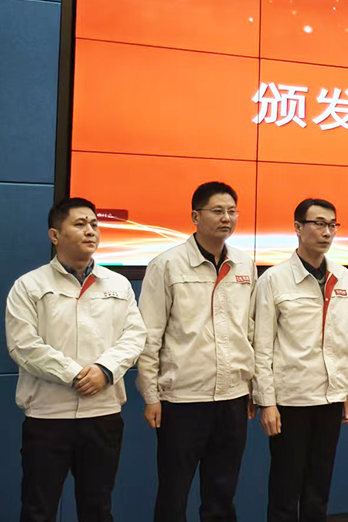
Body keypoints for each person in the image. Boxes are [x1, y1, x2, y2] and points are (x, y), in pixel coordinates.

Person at [5, 197, 146, 522]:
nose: (90, 231)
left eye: (94, 224)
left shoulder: (118, 284)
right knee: (38, 510)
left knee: (98, 509)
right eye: (80, 224)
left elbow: (134, 336)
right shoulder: (29, 286)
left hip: (103, 414)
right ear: (55, 235)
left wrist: (105, 370)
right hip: (48, 416)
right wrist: (75, 374)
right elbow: (23, 345)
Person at [136, 181, 257, 522]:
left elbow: (250, 330)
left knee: (222, 493)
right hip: (183, 398)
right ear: (195, 216)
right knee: (174, 492)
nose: (226, 218)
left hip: (232, 396)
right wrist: (151, 395)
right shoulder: (167, 265)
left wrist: (253, 388)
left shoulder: (245, 265)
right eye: (217, 211)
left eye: (232, 211)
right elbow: (149, 334)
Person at [252, 198, 348, 522]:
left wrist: (347, 389)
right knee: (285, 489)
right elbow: (262, 345)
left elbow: (347, 339)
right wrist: (267, 402)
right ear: (298, 227)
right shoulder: (274, 279)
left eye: (332, 225)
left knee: (318, 488)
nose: (327, 232)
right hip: (291, 399)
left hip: (330, 397)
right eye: (319, 224)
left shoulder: (343, 276)